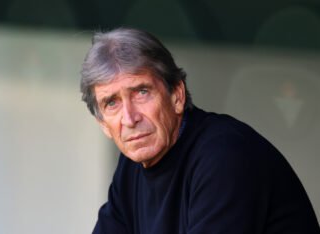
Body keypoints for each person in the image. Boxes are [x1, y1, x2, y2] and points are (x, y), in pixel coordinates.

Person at [80, 28, 320, 234]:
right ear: (103, 125)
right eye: (112, 103)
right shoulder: (131, 166)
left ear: (177, 96)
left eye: (141, 92)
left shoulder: (225, 156)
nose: (130, 118)